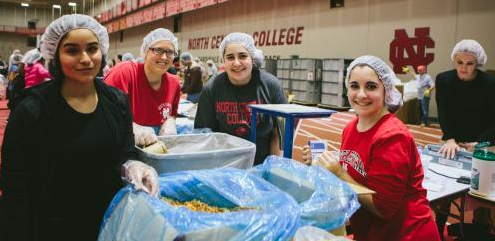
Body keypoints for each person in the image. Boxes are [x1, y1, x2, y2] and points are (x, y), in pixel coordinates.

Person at [0, 14, 158, 241]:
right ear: (55, 56)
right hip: (50, 227)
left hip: (106, 222)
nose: (86, 59)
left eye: (92, 49)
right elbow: (15, 185)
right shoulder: (33, 110)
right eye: (72, 51)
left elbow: (126, 151)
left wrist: (134, 166)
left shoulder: (117, 101)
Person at [303, 55, 440, 241]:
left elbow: (383, 208)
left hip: (406, 233)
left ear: (386, 91)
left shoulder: (392, 136)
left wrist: (339, 174)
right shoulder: (351, 128)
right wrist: (322, 164)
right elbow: (356, 173)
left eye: (371, 86)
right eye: (354, 86)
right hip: (372, 233)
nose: (361, 94)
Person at [194, 33, 286, 165]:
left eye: (243, 56)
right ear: (223, 61)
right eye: (230, 57)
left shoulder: (271, 86)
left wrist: (273, 168)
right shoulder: (212, 88)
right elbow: (204, 133)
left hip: (263, 165)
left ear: (252, 58)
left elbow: (280, 131)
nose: (237, 63)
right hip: (225, 167)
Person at [434, 39, 495, 240]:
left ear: (477, 63)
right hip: (454, 138)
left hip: (483, 140)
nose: (464, 68)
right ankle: (438, 229)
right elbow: (443, 112)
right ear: (454, 61)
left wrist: (481, 142)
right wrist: (450, 139)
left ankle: (480, 229)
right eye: (459, 62)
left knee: (482, 189)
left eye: (469, 63)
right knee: (445, 185)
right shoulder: (444, 80)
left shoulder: (489, 83)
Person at [105, 28, 180, 146]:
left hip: (153, 148)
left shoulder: (174, 83)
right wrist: (131, 128)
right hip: (118, 146)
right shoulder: (125, 73)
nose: (165, 57)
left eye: (170, 52)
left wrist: (170, 121)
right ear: (145, 51)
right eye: (158, 50)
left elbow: (172, 113)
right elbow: (104, 114)